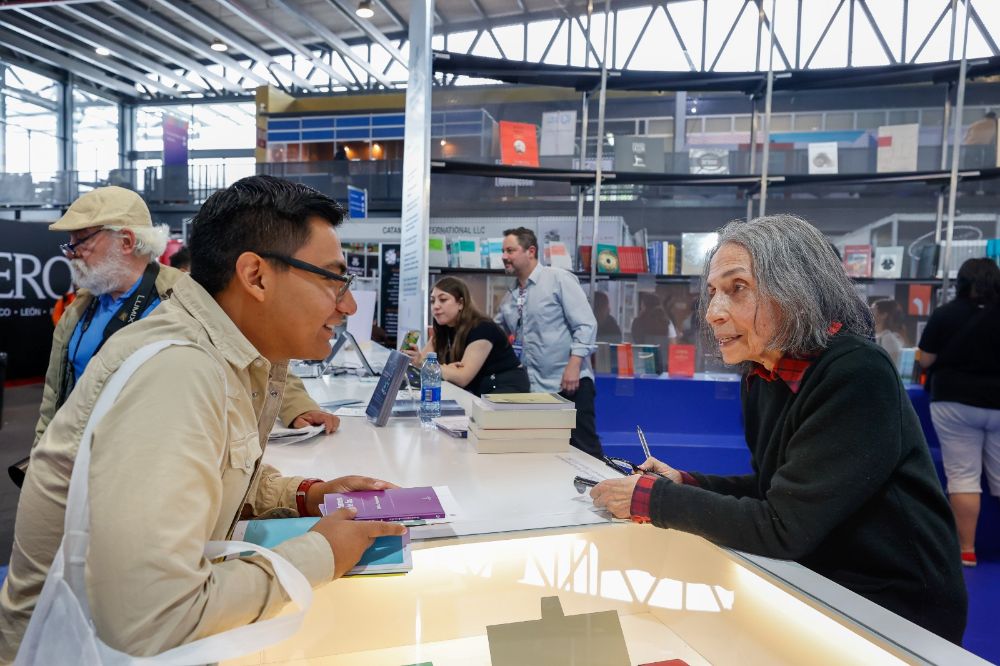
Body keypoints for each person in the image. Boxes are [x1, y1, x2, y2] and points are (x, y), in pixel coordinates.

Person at [0, 176, 407, 659]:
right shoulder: (178, 371)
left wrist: (305, 495)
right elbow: (154, 618)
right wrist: (322, 553)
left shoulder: (226, 351)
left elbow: (214, 469)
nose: (349, 305)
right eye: (333, 279)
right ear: (255, 276)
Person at [589, 214, 967, 643]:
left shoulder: (857, 372)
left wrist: (653, 499)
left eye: (737, 288)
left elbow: (784, 526)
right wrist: (685, 482)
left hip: (894, 607)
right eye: (712, 292)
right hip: (825, 580)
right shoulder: (763, 373)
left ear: (795, 289)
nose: (712, 313)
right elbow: (779, 489)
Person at [13, 187, 337, 488]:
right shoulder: (78, 308)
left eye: (81, 240)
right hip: (76, 467)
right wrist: (42, 460)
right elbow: (55, 392)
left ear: (126, 241)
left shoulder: (187, 295)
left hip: (149, 467)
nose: (71, 252)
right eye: (69, 242)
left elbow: (254, 349)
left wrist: (298, 406)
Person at [918, 258, 1000, 568]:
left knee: (963, 476)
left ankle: (966, 550)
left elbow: (926, 360)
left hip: (954, 402)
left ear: (960, 283)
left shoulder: (945, 314)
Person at [496, 227, 602, 458]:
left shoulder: (558, 279)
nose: (504, 256)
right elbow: (495, 332)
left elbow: (586, 324)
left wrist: (574, 365)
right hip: (534, 390)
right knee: (547, 455)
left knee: (586, 452)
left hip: (569, 384)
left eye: (510, 250)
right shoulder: (510, 296)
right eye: (503, 251)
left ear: (531, 251)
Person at [403, 277, 528, 397]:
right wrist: (442, 368)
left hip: (505, 391)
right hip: (479, 391)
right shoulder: (443, 330)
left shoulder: (482, 328)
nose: (436, 306)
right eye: (432, 301)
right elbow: (421, 363)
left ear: (461, 303)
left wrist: (428, 364)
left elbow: (462, 377)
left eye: (443, 300)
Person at [871, 298, 908, 368]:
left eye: (873, 310)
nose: (870, 312)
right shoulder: (876, 336)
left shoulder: (888, 339)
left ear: (884, 315)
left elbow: (889, 367)